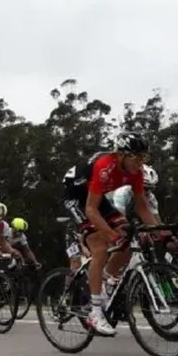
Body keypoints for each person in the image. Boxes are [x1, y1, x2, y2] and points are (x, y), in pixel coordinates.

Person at [63, 132, 158, 336]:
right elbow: (90, 209)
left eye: (144, 158)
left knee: (127, 236)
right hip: (76, 196)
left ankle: (105, 279)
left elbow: (142, 207)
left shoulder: (136, 172)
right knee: (100, 246)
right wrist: (108, 234)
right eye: (137, 157)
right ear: (121, 155)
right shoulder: (104, 167)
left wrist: (160, 232)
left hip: (95, 197)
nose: (141, 162)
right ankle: (95, 312)